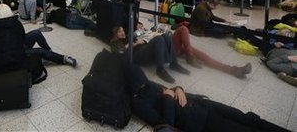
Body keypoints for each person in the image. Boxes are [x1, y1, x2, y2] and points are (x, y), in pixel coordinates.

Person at [130, 66, 290, 132]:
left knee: (250, 119)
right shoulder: (138, 102)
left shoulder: (147, 85)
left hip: (204, 104)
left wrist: (178, 88)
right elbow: (165, 126)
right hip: (200, 121)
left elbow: (171, 91)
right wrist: (167, 98)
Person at [0, 21, 77, 67]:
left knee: (36, 33)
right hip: (15, 54)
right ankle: (64, 58)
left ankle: (49, 53)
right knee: (40, 51)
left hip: (16, 46)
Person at [110, 25, 189, 83]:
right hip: (136, 56)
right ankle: (160, 69)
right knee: (159, 39)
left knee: (165, 36)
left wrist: (142, 38)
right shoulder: (115, 42)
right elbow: (119, 53)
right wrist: (131, 45)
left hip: (144, 49)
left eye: (123, 30)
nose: (122, 32)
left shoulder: (129, 36)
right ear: (115, 34)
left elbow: (140, 38)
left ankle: (174, 64)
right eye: (119, 31)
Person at [172, 23, 252, 78]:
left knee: (204, 56)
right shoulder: (202, 8)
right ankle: (190, 54)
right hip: (170, 46)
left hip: (176, 46)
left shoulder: (205, 7)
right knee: (183, 29)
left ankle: (234, 70)